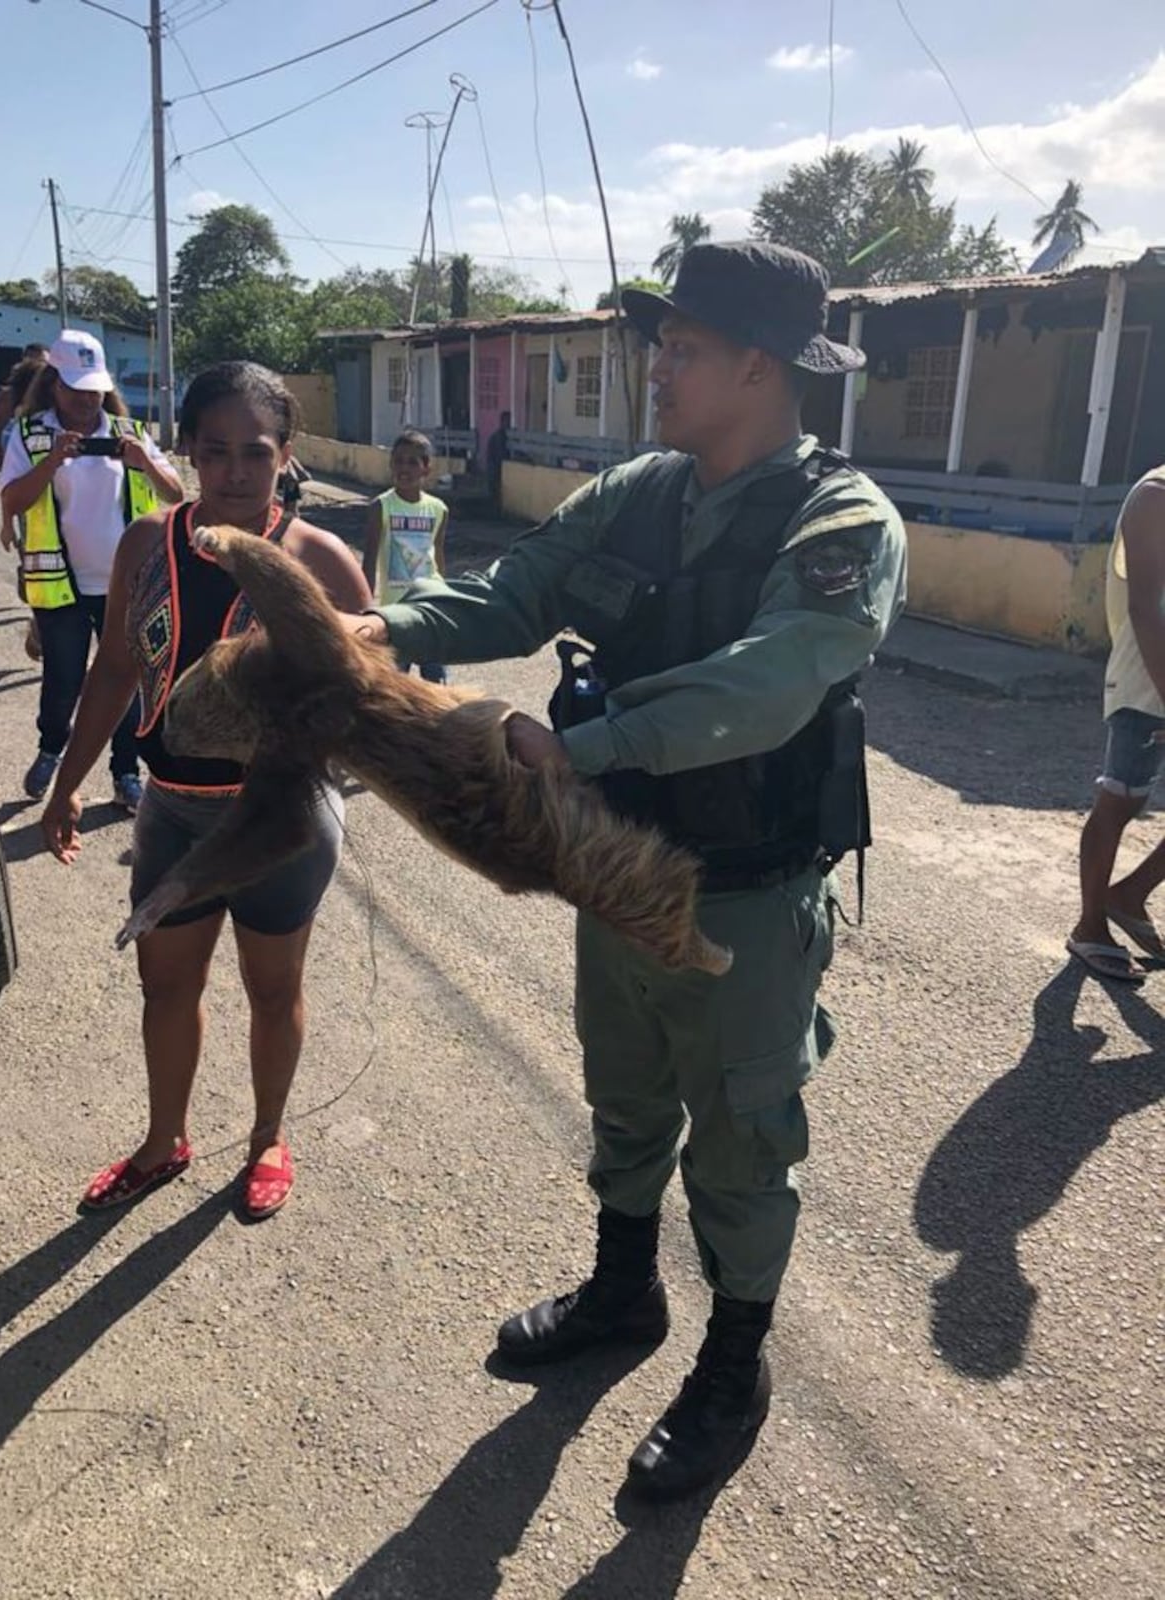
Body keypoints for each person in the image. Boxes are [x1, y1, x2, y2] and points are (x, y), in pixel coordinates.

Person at [355, 241, 907, 1500]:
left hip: (747, 897)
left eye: (685, 347)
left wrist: (582, 744)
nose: (657, 368)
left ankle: (735, 1361)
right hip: (612, 872)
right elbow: (511, 594)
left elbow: (766, 689)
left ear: (761, 365)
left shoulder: (843, 520)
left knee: (742, 1143)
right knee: (624, 1095)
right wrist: (379, 627)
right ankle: (622, 1290)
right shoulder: (640, 488)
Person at [40, 360, 372, 1218]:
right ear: (185, 450)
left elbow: (379, 695)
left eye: (254, 454)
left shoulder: (319, 561)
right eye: (215, 451)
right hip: (172, 809)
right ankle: (164, 1142)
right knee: (166, 987)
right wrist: (67, 785)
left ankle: (267, 1137)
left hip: (279, 824)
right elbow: (115, 670)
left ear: (285, 457)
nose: (233, 471)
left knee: (272, 989)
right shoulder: (148, 542)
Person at [0, 330, 183, 810]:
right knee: (62, 679)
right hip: (61, 585)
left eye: (95, 389)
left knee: (124, 681)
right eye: (77, 388)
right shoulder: (31, 434)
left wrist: (144, 462)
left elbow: (175, 494)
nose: (87, 400)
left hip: (124, 585)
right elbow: (12, 500)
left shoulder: (129, 434)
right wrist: (52, 461)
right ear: (54, 382)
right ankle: (51, 750)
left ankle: (126, 772)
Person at [1067, 467, 1165, 982]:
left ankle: (1128, 895)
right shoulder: (1155, 496)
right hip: (1149, 680)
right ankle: (1089, 926)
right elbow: (1145, 609)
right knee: (1121, 799)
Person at [362, 429, 449, 684]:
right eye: (398, 460)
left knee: (436, 681)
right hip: (394, 612)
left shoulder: (438, 509)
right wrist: (365, 605)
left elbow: (438, 555)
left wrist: (445, 597)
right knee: (394, 683)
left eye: (413, 462)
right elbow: (369, 559)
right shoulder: (381, 506)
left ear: (426, 469)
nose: (405, 468)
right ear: (391, 464)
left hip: (429, 608)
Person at [0, 345, 50, 661]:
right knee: (42, 582)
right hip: (38, 521)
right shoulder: (19, 430)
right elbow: (9, 485)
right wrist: (6, 524)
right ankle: (41, 628)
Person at [486, 409, 511, 509]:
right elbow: (500, 455)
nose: (508, 424)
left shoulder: (507, 436)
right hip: (495, 467)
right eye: (507, 421)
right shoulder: (498, 437)